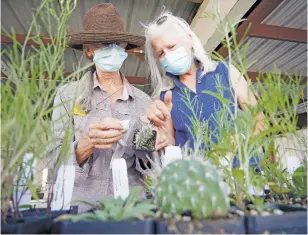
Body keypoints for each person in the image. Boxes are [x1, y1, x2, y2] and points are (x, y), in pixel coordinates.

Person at [48, 4, 167, 213]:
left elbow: (151, 167)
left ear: (125, 48)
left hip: (132, 209)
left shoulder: (143, 101)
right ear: (89, 49)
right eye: (104, 44)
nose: (113, 49)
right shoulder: (68, 96)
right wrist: (83, 146)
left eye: (118, 43)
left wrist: (151, 143)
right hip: (82, 210)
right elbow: (52, 162)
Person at [144, 12, 265, 165]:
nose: (168, 56)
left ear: (189, 39)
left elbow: (259, 119)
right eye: (161, 53)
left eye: (172, 47)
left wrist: (243, 141)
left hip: (245, 174)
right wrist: (156, 136)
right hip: (200, 183)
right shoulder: (165, 97)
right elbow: (167, 145)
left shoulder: (225, 71)